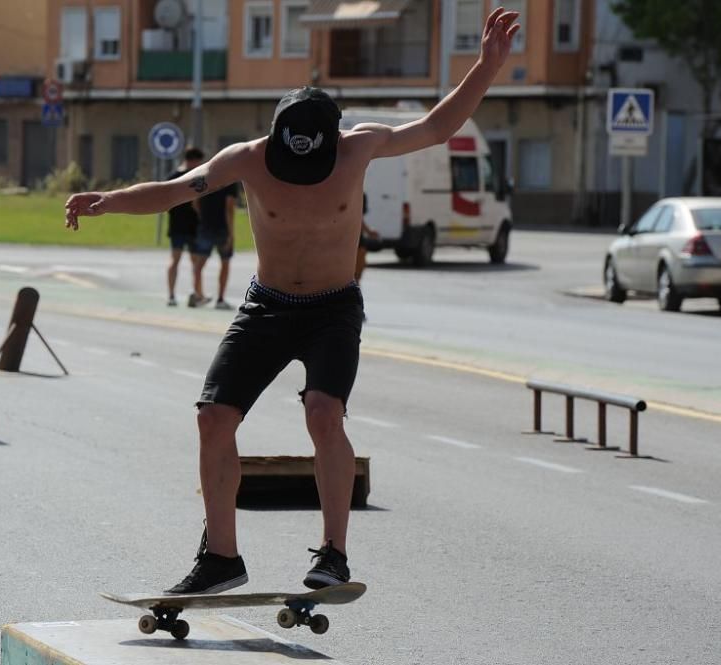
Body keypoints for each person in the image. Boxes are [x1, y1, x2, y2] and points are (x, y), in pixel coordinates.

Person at [64, 8, 520, 594]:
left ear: (331, 142)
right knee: (212, 418)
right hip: (267, 305)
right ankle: (221, 557)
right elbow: (176, 190)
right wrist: (109, 200)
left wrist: (485, 67)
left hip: (333, 308)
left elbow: (436, 126)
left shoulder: (361, 148)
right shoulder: (247, 158)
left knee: (323, 414)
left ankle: (334, 553)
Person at [165, 148, 210, 308]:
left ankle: (193, 294)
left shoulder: (172, 177)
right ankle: (178, 295)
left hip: (182, 225)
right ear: (192, 160)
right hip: (187, 226)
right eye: (198, 161)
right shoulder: (190, 177)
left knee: (189, 261)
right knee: (184, 261)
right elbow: (196, 202)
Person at [192, 174, 239, 309]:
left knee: (199, 264)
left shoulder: (205, 179)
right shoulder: (230, 181)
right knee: (225, 262)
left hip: (205, 227)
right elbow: (229, 208)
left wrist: (203, 216)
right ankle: (220, 299)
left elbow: (195, 202)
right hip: (222, 228)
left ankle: (198, 295)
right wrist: (231, 233)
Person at [355, 193, 379, 284]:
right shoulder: (357, 194)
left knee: (361, 261)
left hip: (357, 235)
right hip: (352, 235)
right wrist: (369, 231)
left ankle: (357, 281)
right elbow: (358, 216)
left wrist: (369, 231)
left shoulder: (362, 195)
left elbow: (359, 217)